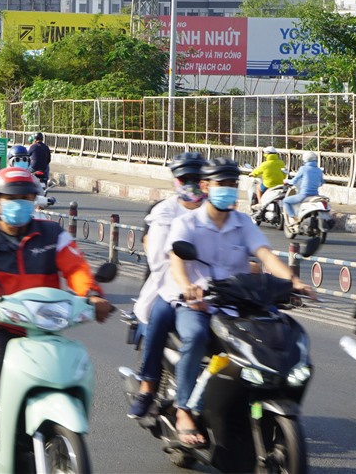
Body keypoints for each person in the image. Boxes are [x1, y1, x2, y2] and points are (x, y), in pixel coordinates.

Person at [0, 167, 112, 473]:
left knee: (71, 359)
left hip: (44, 326)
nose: (21, 203)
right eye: (13, 198)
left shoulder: (52, 235)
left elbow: (75, 267)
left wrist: (91, 294)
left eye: (27, 197)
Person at [162, 157, 314, 447]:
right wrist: (188, 288)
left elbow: (266, 256)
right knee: (194, 336)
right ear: (206, 185)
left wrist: (292, 282)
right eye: (223, 184)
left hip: (240, 301)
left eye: (233, 184)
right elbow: (177, 262)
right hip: (198, 302)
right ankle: (184, 410)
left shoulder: (242, 222)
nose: (229, 190)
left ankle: (258, 398)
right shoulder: (187, 222)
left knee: (276, 331)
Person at [127, 152, 207, 418]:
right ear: (176, 180)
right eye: (186, 178)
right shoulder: (164, 211)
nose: (192, 183)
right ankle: (147, 387)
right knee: (159, 320)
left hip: (215, 292)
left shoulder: (219, 212)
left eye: (198, 178)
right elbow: (158, 255)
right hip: (172, 287)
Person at [282, 151, 324, 224]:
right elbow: (321, 183)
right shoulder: (319, 170)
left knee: (285, 201)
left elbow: (294, 181)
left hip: (304, 195)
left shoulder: (303, 168)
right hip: (315, 195)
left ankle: (294, 218)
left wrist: (286, 181)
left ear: (305, 159)